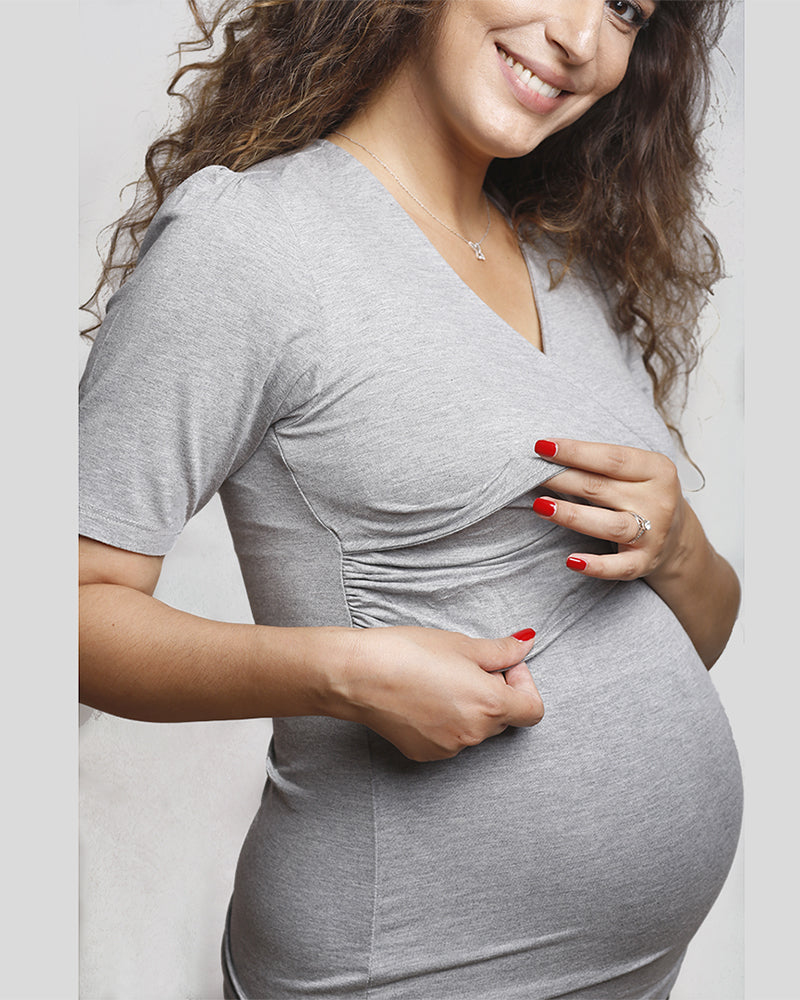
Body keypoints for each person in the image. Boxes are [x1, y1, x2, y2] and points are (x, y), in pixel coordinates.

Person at [78, 0, 743, 997]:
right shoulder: (251, 242)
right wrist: (343, 675)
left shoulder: (564, 265)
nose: (581, 39)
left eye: (626, 10)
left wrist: (679, 546)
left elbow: (696, 638)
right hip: (397, 965)